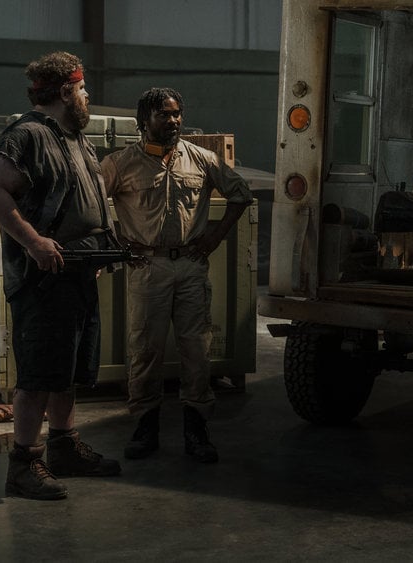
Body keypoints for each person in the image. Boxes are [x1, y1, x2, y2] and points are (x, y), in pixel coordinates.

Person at [0, 51, 122, 501]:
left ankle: (62, 448)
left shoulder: (75, 138)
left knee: (67, 370)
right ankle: (23, 465)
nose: (86, 96)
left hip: (77, 271)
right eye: (82, 89)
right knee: (38, 375)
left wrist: (102, 249)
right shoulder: (28, 135)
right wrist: (34, 243)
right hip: (44, 279)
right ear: (64, 91)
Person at [100, 88, 253, 463]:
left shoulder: (201, 159)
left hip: (190, 268)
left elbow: (241, 193)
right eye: (163, 115)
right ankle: (145, 427)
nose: (173, 121)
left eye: (177, 113)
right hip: (146, 268)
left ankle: (197, 430)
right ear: (143, 121)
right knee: (145, 351)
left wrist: (215, 238)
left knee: (196, 351)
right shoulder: (121, 163)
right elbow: (93, 204)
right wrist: (120, 241)